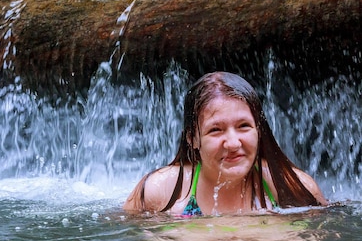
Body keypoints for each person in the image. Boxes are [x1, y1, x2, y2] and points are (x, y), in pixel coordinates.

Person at [123, 71, 327, 216]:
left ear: (259, 130)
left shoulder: (294, 188)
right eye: (216, 130)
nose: (232, 143)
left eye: (244, 126)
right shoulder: (158, 192)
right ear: (192, 138)